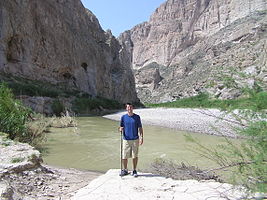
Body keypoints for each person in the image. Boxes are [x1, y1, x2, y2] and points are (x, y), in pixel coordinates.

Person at [119, 103, 143, 177]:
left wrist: (141, 137)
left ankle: (134, 170)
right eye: (128, 107)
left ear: (133, 108)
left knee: (134, 156)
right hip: (126, 139)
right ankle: (125, 170)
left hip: (135, 139)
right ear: (126, 109)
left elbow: (140, 128)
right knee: (124, 156)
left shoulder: (137, 117)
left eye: (131, 107)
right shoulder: (123, 117)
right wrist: (120, 129)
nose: (129, 109)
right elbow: (120, 127)